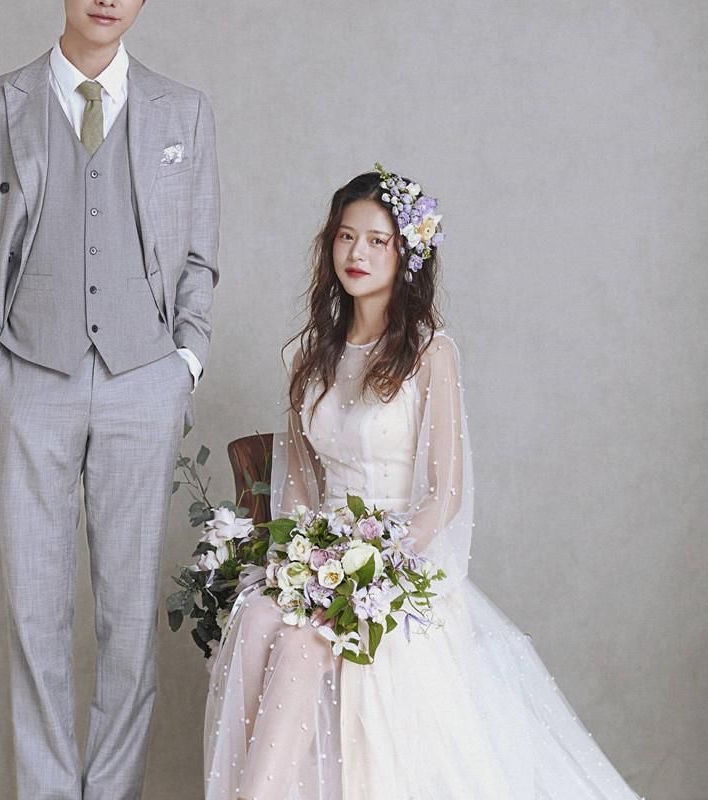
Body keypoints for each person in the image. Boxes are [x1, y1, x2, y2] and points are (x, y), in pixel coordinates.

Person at [203, 167, 643, 799]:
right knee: (254, 622)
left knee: (303, 648)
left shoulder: (430, 353)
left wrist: (373, 571)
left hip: (397, 566)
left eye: (376, 240)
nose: (356, 253)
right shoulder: (309, 355)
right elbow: (297, 486)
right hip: (321, 555)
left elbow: (445, 495)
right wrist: (296, 568)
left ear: (406, 254)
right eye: (346, 236)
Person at [0, 1, 219, 797]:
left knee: (128, 620)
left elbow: (199, 255)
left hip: (144, 380)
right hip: (31, 377)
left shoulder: (184, 111)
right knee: (35, 617)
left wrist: (185, 363)